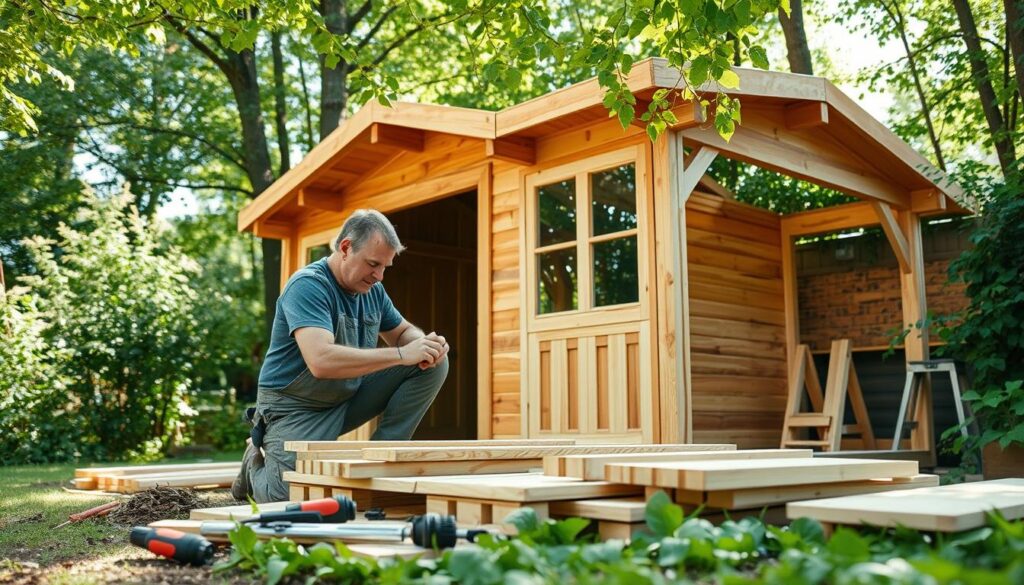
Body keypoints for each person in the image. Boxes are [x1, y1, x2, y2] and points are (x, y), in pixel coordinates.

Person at [233, 209, 449, 503]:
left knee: (434, 364)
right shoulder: (308, 285)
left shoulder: (373, 290)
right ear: (346, 248)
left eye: (385, 267)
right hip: (295, 408)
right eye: (373, 264)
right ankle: (253, 465)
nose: (379, 276)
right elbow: (320, 361)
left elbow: (402, 333)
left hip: (346, 398)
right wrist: (401, 354)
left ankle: (380, 461)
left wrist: (424, 345)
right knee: (287, 500)